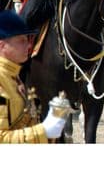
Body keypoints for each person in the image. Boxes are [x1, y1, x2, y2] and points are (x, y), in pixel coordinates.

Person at [0, 11, 66, 143]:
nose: (29, 45)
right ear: (2, 46)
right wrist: (43, 131)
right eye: (21, 41)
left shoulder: (13, 75)